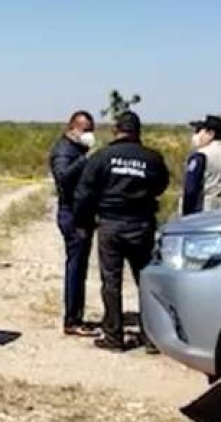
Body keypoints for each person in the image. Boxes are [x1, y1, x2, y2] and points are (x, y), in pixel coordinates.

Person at [74, 111, 170, 353]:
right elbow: (161, 185)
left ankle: (114, 337)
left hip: (111, 225)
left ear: (116, 130)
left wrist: (83, 221)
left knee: (111, 282)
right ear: (138, 131)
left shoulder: (102, 157)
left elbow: (84, 193)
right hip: (142, 225)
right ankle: (151, 338)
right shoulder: (152, 158)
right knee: (145, 281)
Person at [49, 110, 98, 337]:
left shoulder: (78, 149)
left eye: (91, 130)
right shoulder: (64, 150)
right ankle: (72, 320)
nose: (89, 134)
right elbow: (63, 178)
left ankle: (77, 315)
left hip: (83, 214)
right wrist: (84, 160)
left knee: (81, 268)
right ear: (73, 128)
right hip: (72, 215)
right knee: (75, 266)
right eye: (86, 130)